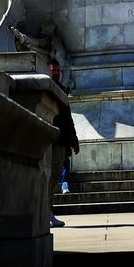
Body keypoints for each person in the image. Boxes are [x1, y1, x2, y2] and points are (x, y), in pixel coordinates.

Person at [48, 59, 79, 230]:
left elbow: (68, 118)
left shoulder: (60, 90)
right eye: (53, 70)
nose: (56, 72)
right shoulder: (49, 90)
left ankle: (48, 212)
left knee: (54, 178)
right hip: (52, 140)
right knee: (51, 178)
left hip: (60, 140)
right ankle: (46, 212)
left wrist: (74, 140)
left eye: (58, 70)